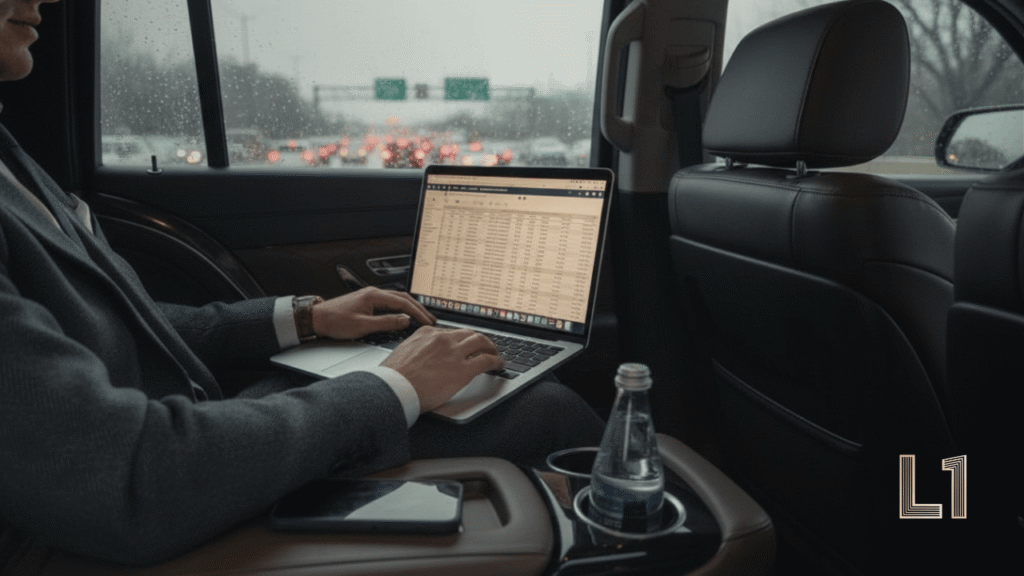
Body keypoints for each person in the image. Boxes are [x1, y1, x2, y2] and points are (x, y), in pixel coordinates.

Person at [0, 0, 604, 566]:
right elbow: (132, 474)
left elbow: (124, 323)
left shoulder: (10, 154)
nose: (47, 0)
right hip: (150, 504)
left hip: (175, 440)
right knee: (549, 412)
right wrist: (395, 384)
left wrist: (308, 317)